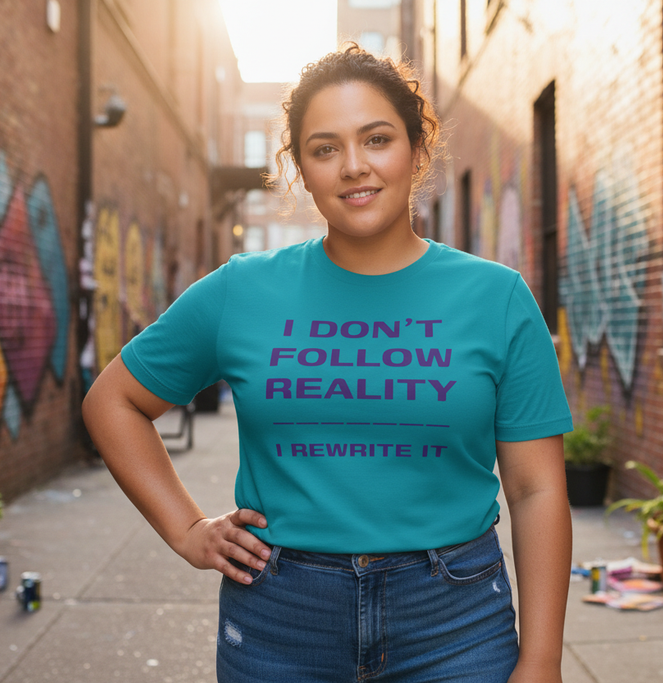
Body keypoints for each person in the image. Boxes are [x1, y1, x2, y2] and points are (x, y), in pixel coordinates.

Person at [82, 45, 574, 682]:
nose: (353, 166)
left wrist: (541, 660)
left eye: (376, 138)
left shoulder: (498, 298)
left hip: (454, 622)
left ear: (417, 149)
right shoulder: (243, 290)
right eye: (324, 148)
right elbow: (112, 401)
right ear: (301, 170)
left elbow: (537, 492)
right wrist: (187, 529)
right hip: (279, 618)